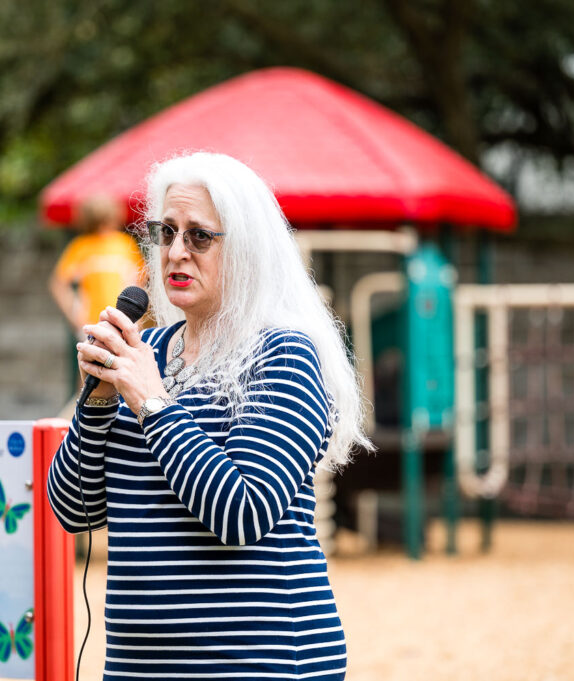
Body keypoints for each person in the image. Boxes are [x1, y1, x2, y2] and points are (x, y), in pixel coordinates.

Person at [46, 152, 370, 679]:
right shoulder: (144, 351)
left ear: (246, 250)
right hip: (139, 666)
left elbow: (242, 512)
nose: (175, 252)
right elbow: (75, 511)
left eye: (199, 236)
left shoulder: (282, 356)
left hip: (257, 663)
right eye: (165, 232)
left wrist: (151, 402)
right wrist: (100, 398)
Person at [50, 194, 145, 338]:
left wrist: (74, 316)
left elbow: (58, 285)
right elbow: (140, 283)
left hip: (114, 322)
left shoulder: (83, 246)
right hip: (105, 322)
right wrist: (75, 317)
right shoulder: (122, 244)